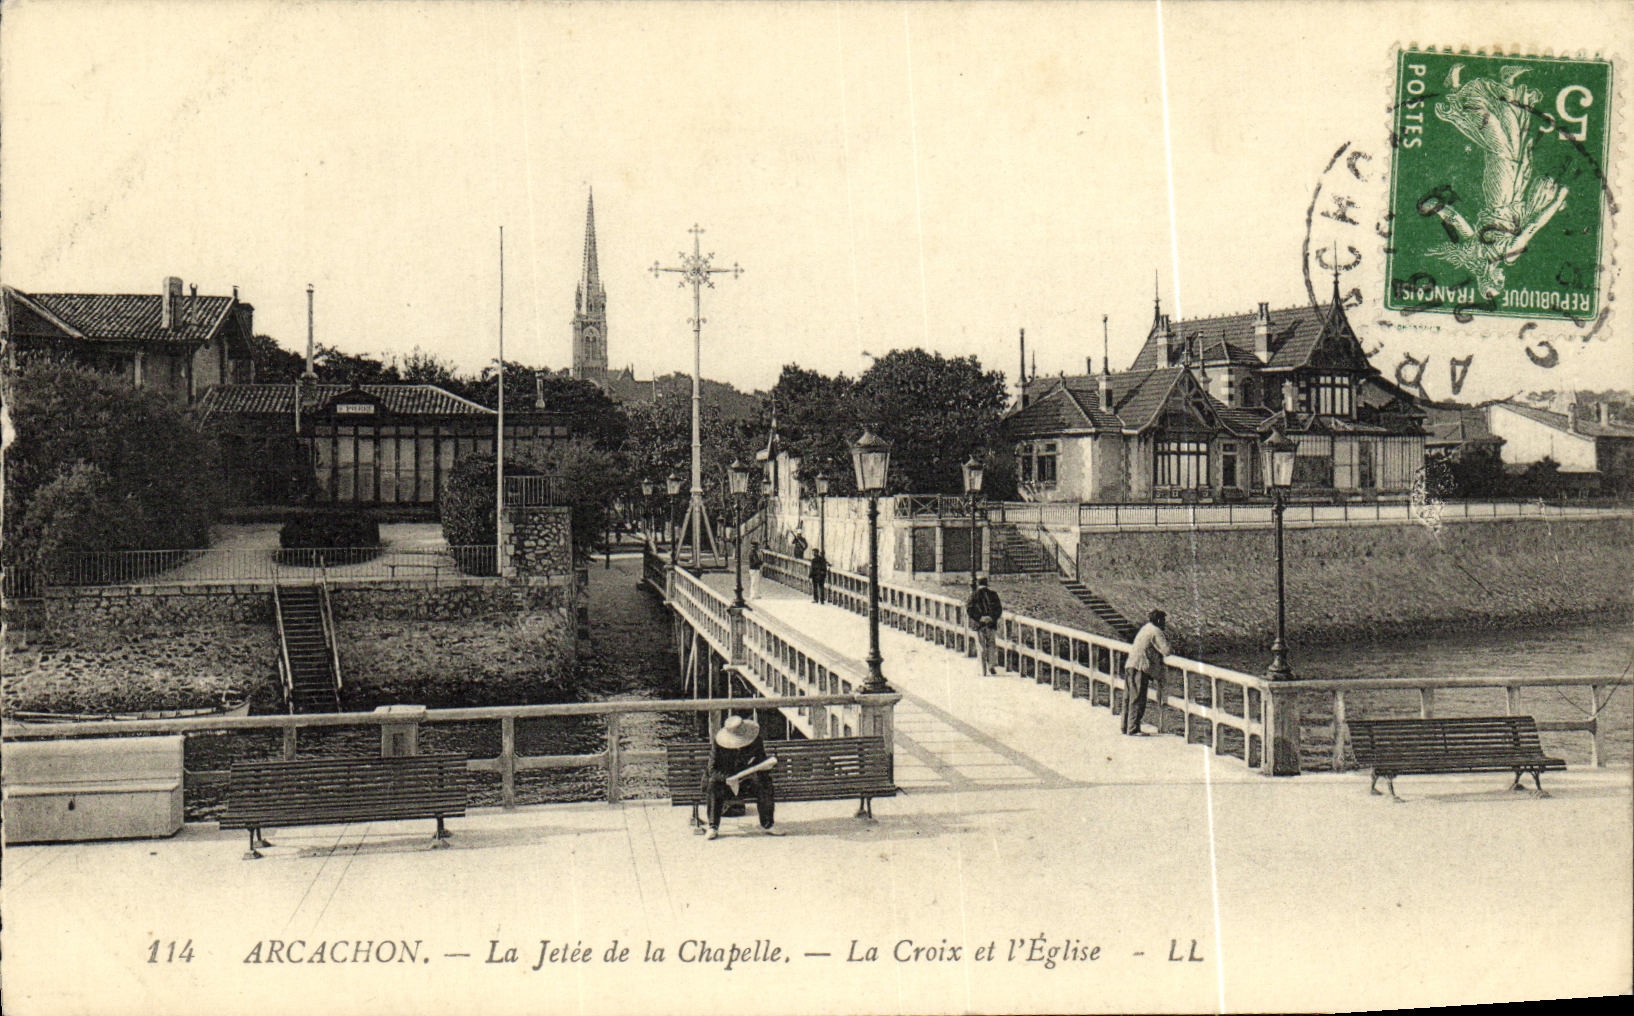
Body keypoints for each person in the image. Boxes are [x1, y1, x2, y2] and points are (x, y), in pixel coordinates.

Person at [704, 715, 780, 839]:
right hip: (725, 783)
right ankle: (713, 826)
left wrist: (765, 766)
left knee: (765, 783)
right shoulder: (719, 744)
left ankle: (768, 824)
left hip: (746, 781)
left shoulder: (755, 740)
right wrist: (727, 779)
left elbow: (760, 760)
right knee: (713, 783)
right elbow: (712, 770)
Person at [1122, 609, 1171, 736]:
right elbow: (1166, 650)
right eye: (1164, 620)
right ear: (1159, 620)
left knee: (1128, 697)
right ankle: (1133, 729)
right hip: (1140, 667)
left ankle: (1125, 726)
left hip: (1130, 664)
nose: (1165, 623)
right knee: (1138, 698)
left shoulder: (1145, 628)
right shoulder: (1156, 631)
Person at [966, 575, 1003, 676]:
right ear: (987, 584)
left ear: (978, 584)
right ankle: (991, 665)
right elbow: (999, 609)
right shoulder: (993, 594)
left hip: (979, 624)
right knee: (991, 644)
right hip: (990, 623)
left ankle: (983, 670)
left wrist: (979, 618)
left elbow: (969, 609)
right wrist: (991, 617)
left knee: (981, 646)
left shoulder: (974, 595)